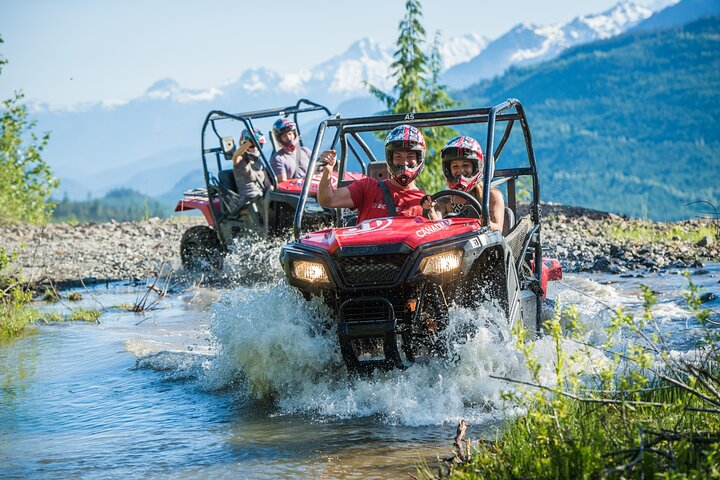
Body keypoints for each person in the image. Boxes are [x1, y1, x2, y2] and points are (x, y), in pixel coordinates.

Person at [317, 124, 427, 224]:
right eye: (398, 156)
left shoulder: (423, 203)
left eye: (410, 156)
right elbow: (328, 200)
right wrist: (328, 171)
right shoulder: (368, 187)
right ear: (390, 159)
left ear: (419, 159)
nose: (404, 162)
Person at [422, 135, 505, 232]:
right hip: (453, 245)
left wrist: (483, 223)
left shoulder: (490, 196)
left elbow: (498, 229)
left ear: (475, 167)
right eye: (455, 166)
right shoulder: (444, 201)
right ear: (448, 170)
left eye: (466, 165)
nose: (460, 171)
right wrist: (430, 209)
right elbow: (436, 224)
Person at [228, 128, 268, 224]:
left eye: (257, 145)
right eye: (252, 145)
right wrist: (248, 143)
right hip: (247, 199)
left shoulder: (259, 162)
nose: (254, 148)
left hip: (261, 196)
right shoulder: (240, 160)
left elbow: (267, 183)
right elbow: (235, 156)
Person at [269, 117, 312, 183]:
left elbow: (316, 170)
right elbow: (282, 183)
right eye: (284, 136)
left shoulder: (305, 151)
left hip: (312, 186)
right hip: (295, 192)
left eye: (290, 134)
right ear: (280, 139)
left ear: (294, 134)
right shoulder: (278, 159)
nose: (289, 138)